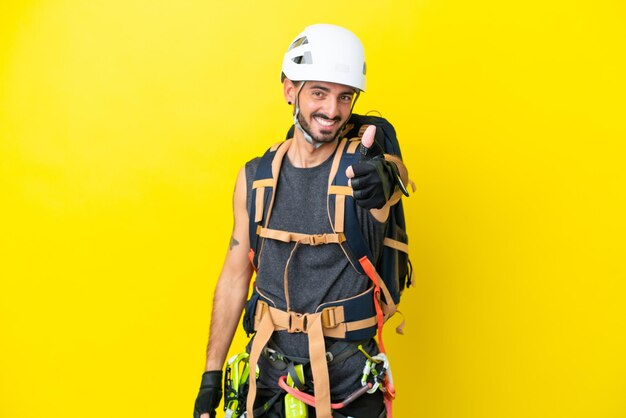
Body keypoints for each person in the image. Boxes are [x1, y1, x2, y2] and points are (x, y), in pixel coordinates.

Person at [194, 23, 409, 418]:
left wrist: (387, 175)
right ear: (290, 90)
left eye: (345, 97)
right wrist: (211, 377)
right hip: (270, 381)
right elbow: (234, 275)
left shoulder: (363, 174)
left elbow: (396, 177)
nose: (332, 110)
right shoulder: (256, 178)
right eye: (319, 93)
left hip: (350, 385)